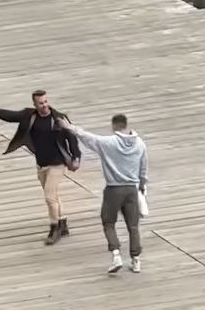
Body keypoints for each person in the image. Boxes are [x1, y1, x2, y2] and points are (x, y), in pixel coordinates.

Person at [0, 90, 81, 245]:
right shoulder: (30, 115)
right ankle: (63, 223)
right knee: (53, 195)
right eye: (41, 103)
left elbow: (72, 138)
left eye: (46, 102)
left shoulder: (58, 118)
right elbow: (12, 116)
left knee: (49, 196)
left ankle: (54, 229)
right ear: (34, 104)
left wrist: (76, 157)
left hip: (57, 163)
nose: (44, 105)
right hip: (41, 163)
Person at [58, 113, 148, 274]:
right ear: (126, 125)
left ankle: (116, 255)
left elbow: (87, 137)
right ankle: (136, 260)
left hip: (113, 189)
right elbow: (143, 168)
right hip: (131, 190)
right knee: (133, 226)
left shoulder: (108, 143)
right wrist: (142, 185)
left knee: (108, 223)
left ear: (114, 126)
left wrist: (69, 127)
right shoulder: (140, 144)